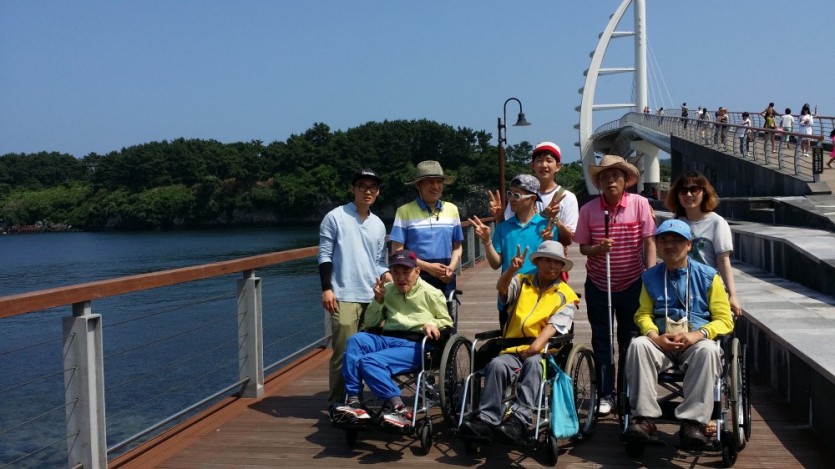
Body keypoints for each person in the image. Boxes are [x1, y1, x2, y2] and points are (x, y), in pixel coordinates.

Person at [622, 219, 734, 447]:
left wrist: (698, 334)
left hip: (695, 342)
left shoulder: (709, 276)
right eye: (664, 240)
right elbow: (643, 314)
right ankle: (644, 419)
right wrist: (655, 337)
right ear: (657, 246)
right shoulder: (649, 277)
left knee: (708, 350)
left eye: (677, 241)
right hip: (662, 342)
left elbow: (725, 320)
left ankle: (693, 422)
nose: (670, 245)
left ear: (689, 245)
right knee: (639, 345)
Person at [458, 241, 579, 442]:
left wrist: (534, 348)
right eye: (548, 260)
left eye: (557, 262)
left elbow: (553, 327)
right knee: (496, 365)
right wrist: (511, 270)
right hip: (513, 348)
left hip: (544, 351)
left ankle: (519, 420)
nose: (553, 266)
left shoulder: (566, 295)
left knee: (533, 364)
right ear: (537, 262)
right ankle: (487, 419)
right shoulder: (522, 282)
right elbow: (502, 288)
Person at [330, 249, 453, 429]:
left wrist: (431, 324)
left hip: (416, 344)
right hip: (388, 339)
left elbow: (447, 322)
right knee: (355, 340)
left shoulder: (431, 293)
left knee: (369, 361)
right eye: (396, 272)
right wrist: (378, 300)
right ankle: (354, 401)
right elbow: (371, 323)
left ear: (417, 271)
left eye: (406, 272)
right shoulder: (387, 290)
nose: (401, 278)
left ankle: (399, 408)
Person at [574, 155, 656, 416]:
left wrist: (650, 277)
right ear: (598, 182)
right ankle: (606, 393)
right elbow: (583, 247)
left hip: (633, 283)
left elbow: (649, 242)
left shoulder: (640, 204)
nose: (611, 180)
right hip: (599, 284)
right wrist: (598, 248)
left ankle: (625, 392)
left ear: (626, 180)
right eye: (605, 176)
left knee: (630, 340)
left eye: (616, 175)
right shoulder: (588, 210)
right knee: (602, 340)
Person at [318, 169, 390, 404]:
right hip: (344, 295)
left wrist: (390, 279)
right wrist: (327, 288)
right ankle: (337, 403)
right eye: (362, 186)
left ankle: (356, 399)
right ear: (353, 188)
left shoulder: (378, 224)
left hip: (372, 297)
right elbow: (324, 255)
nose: (367, 191)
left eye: (372, 187)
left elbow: (379, 261)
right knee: (343, 354)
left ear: (377, 192)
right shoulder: (335, 217)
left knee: (367, 354)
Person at [470, 174, 554, 327]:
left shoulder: (546, 227)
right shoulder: (503, 227)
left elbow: (554, 264)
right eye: (510, 194)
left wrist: (548, 242)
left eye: (517, 195)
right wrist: (487, 241)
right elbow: (495, 264)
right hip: (509, 296)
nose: (511, 199)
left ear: (532, 198)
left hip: (539, 297)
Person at [665, 171, 743, 316]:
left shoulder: (716, 222)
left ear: (704, 192)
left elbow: (723, 260)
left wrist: (732, 295)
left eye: (694, 189)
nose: (688, 194)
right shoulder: (674, 222)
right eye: (683, 190)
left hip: (707, 287)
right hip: (677, 288)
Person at [390, 160, 464, 303]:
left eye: (439, 182)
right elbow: (397, 251)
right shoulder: (404, 211)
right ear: (418, 185)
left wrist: (451, 268)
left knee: (447, 315)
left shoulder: (452, 209)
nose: (436, 186)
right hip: (415, 279)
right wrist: (428, 268)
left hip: (446, 278)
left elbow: (458, 246)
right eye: (430, 182)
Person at [498, 141, 578, 248]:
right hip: (522, 255)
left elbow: (569, 240)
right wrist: (499, 217)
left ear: (558, 166)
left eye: (549, 160)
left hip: (552, 257)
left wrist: (555, 219)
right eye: (539, 161)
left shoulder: (567, 197)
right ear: (532, 165)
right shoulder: (519, 194)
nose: (544, 165)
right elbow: (508, 229)